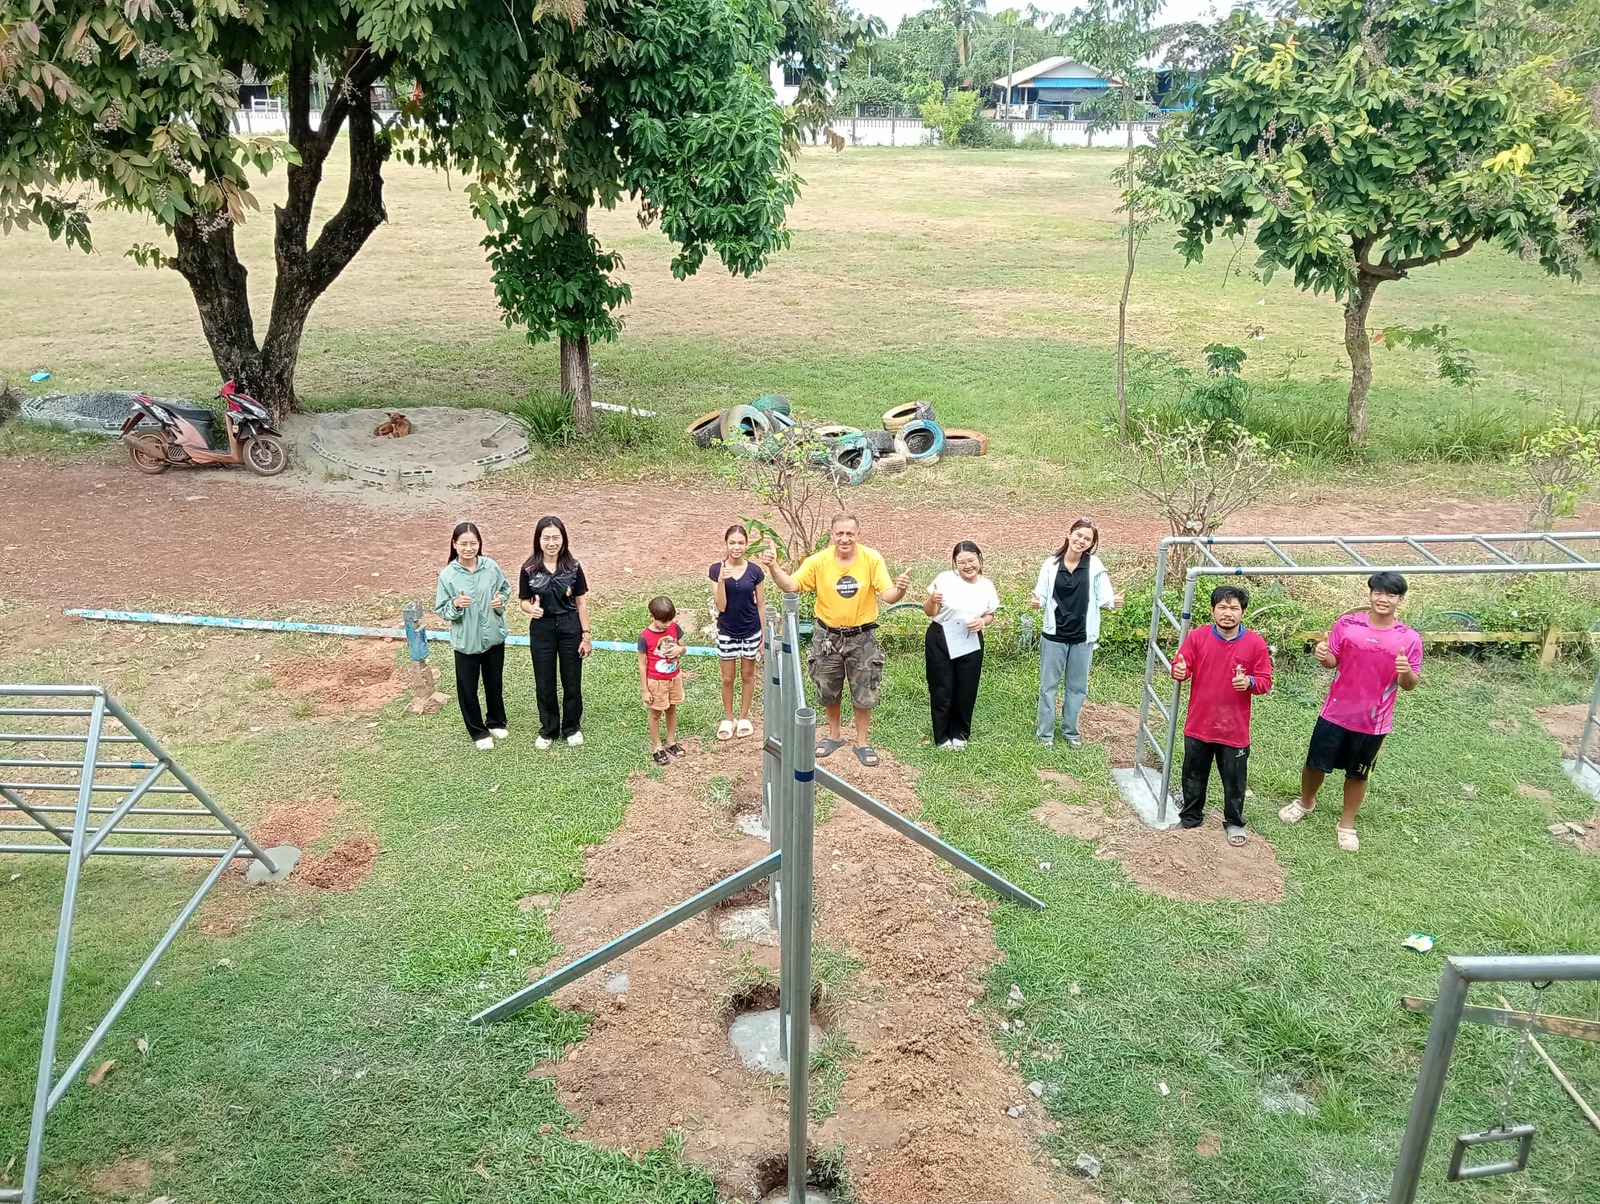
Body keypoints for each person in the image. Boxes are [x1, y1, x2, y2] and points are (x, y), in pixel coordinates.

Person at [1279, 571, 1422, 852]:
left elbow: (1409, 684)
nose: (1383, 599)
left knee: (1358, 774)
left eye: (1391, 594)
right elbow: (1332, 662)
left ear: (1400, 599)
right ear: (1370, 594)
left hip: (1373, 723)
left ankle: (1346, 825)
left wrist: (1405, 672)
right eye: (1378, 592)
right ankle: (1305, 802)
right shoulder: (1348, 625)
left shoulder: (1409, 638)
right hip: (1334, 713)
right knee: (1315, 763)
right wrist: (1323, 655)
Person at [761, 512, 911, 766]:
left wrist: (901, 589)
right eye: (839, 533)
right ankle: (834, 735)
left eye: (850, 533)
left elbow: (888, 596)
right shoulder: (818, 561)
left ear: (858, 534)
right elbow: (791, 586)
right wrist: (773, 566)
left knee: (864, 690)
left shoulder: (871, 559)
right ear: (832, 535)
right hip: (827, 636)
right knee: (828, 687)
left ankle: (862, 742)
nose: (844, 538)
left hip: (862, 636)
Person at [1170, 586, 1274, 844]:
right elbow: (1181, 666)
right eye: (1223, 608)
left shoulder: (1255, 644)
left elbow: (1265, 681)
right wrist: (1180, 670)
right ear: (1213, 610)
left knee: (1234, 780)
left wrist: (1249, 682)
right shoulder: (1198, 637)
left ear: (1243, 612)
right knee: (1193, 775)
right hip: (1199, 723)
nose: (1228, 613)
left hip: (1234, 728)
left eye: (1234, 608)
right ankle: (1190, 817)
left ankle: (1235, 822)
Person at [1032, 517, 1122, 747]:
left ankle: (1070, 731)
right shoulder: (1051, 564)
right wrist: (1038, 602)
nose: (1081, 541)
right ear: (1069, 534)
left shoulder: (1095, 566)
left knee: (1077, 688)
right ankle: (1045, 734)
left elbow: (1104, 598)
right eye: (1079, 535)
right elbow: (1041, 595)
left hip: (1083, 636)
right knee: (1048, 687)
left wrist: (1113, 602)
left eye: (1087, 539)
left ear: (1092, 544)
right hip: (1054, 635)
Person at [433, 522, 512, 750]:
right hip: (466, 641)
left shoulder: (490, 566)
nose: (469, 548)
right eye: (463, 544)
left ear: (479, 544)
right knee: (468, 688)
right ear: (454, 544)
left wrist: (500, 602)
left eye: (473, 543)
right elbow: (442, 609)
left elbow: (505, 588)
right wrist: (456, 604)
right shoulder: (448, 575)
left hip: (493, 637)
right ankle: (478, 731)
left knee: (494, 682)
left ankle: (496, 721)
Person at [518, 516, 592, 748]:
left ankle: (571, 727)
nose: (551, 543)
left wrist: (586, 635)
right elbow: (523, 601)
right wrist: (531, 609)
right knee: (544, 681)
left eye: (556, 538)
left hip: (570, 627)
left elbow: (581, 602)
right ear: (538, 540)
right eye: (546, 538)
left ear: (563, 539)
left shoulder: (573, 567)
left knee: (572, 680)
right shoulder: (529, 569)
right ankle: (548, 729)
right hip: (542, 629)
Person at [922, 540, 1000, 750]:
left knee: (967, 687)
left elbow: (990, 614)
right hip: (941, 636)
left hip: (970, 637)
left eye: (971, 560)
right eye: (961, 562)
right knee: (941, 686)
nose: (967, 566)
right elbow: (930, 612)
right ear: (955, 564)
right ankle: (942, 736)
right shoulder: (945, 579)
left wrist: (982, 622)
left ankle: (961, 733)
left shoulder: (987, 585)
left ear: (979, 559)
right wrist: (933, 599)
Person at [710, 524, 767, 740]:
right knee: (727, 678)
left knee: (747, 675)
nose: (736, 547)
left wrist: (764, 635)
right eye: (732, 543)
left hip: (751, 630)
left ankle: (743, 717)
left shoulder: (755, 571)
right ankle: (728, 718)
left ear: (746, 545)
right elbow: (721, 606)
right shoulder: (716, 570)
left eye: (741, 543)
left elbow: (761, 604)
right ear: (726, 544)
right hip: (727, 631)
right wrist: (721, 581)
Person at [637, 596, 686, 765]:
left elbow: (683, 647)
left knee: (672, 709)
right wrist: (645, 690)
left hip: (674, 678)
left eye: (670, 620)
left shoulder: (675, 628)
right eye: (663, 621)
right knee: (656, 713)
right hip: (656, 682)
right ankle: (657, 746)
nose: (667, 624)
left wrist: (680, 650)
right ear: (651, 616)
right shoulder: (645, 636)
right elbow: (642, 663)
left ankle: (671, 741)